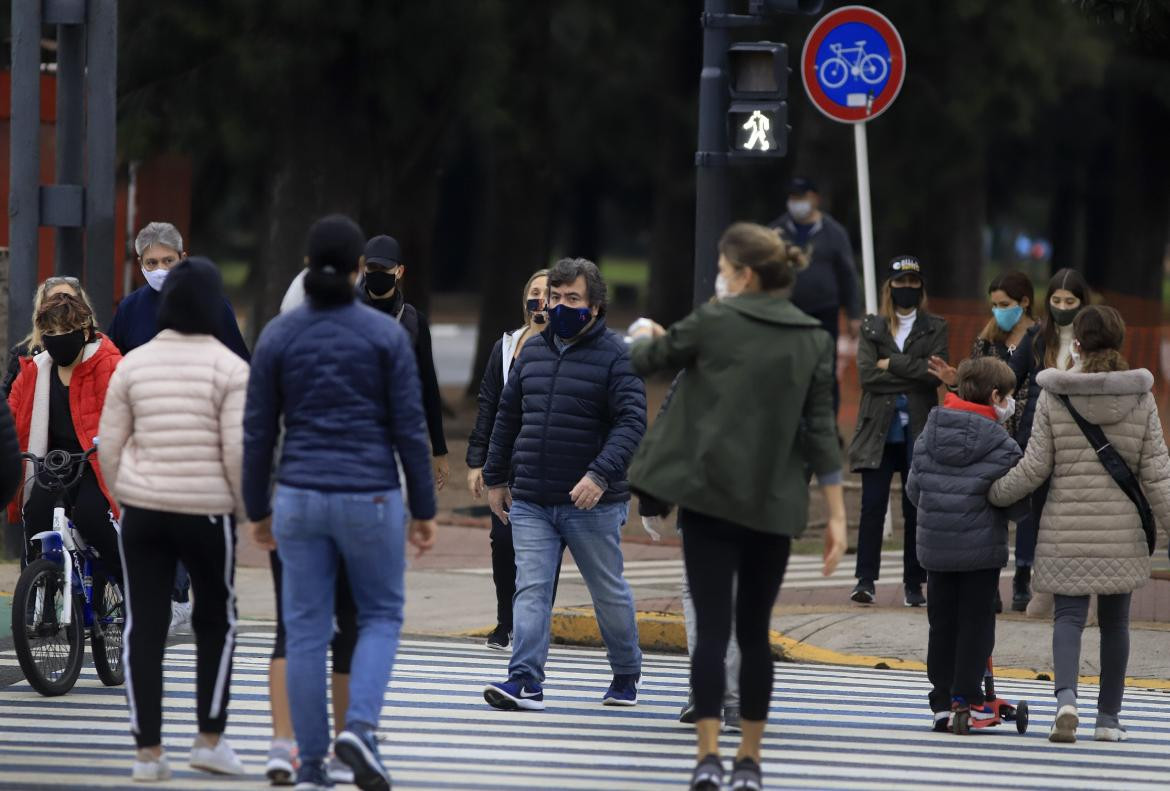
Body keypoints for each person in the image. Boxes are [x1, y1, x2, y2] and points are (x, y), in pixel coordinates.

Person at [626, 222, 847, 791]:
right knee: (753, 634)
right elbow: (821, 430)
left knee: (712, 632)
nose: (719, 280)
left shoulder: (715, 321)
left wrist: (644, 333)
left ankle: (707, 756)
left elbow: (651, 358)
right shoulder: (811, 338)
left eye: (723, 271)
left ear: (744, 274)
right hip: (773, 508)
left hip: (709, 501)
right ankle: (749, 759)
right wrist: (837, 516)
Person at [244, 215, 437, 791]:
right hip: (370, 494)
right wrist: (423, 509)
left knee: (304, 630)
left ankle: (309, 765)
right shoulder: (387, 336)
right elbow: (410, 427)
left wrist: (258, 508)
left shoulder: (280, 334)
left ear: (307, 266)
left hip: (299, 495)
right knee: (379, 615)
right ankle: (359, 727)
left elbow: (258, 431)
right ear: (359, 268)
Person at [98, 257, 250, 781]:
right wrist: (239, 506)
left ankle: (148, 753)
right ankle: (209, 737)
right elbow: (238, 452)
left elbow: (110, 446)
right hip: (206, 510)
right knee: (216, 619)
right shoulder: (231, 368)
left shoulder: (133, 364)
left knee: (145, 624)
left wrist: (127, 496)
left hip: (143, 512)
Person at [989, 305, 1170, 744]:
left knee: (1068, 618)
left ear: (1078, 344)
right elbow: (1157, 475)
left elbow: (1034, 467)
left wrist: (993, 495)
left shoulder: (1055, 395)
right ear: (1119, 344)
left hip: (1065, 527)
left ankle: (1066, 700)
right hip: (1122, 531)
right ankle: (1107, 719)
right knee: (1117, 623)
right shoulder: (1140, 398)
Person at [481, 257, 646, 712]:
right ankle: (525, 679)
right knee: (531, 587)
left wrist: (600, 473)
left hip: (591, 501)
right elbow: (507, 417)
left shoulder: (617, 354)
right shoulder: (530, 352)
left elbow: (632, 422)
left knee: (606, 591)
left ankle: (626, 672)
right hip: (532, 496)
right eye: (555, 297)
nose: (560, 306)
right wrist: (496, 477)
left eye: (573, 298)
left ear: (594, 307)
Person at [107, 221, 250, 632]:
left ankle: (179, 594)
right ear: (140, 265)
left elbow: (239, 365)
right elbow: (114, 368)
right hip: (143, 435)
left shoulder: (213, 307)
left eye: (168, 261)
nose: (160, 269)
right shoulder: (130, 309)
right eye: (151, 262)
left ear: (183, 260)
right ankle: (164, 595)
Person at [264, 270, 362, 787]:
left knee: (292, 628)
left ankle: (286, 743)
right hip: (352, 506)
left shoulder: (278, 347)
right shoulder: (368, 343)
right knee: (349, 624)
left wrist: (258, 509)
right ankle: (345, 741)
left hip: (291, 503)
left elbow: (258, 431)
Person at [905, 357, 1024, 733]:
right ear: (994, 396)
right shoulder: (1004, 445)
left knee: (941, 623)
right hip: (979, 552)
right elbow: (1016, 503)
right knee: (976, 623)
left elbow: (913, 490)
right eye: (1008, 397)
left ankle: (941, 701)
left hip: (935, 548)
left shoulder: (929, 432)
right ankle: (967, 697)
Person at [466, 269, 566, 651]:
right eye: (533, 292)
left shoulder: (565, 345)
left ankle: (533, 624)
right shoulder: (506, 347)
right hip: (507, 463)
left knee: (546, 548)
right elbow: (488, 407)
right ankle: (505, 620)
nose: (538, 299)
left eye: (547, 293)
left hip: (549, 461)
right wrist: (479, 461)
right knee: (503, 542)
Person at [927, 270, 1036, 612]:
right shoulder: (987, 339)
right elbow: (973, 389)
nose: (998, 311)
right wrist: (954, 382)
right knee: (990, 506)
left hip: (1030, 431)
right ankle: (992, 582)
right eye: (994, 305)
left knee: (1027, 506)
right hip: (990, 435)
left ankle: (1023, 572)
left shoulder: (1039, 337)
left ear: (1024, 303)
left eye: (1004, 304)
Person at [847, 255, 948, 608]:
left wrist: (891, 364)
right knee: (872, 506)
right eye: (900, 283)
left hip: (919, 428)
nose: (907, 289)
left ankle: (913, 583)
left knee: (915, 507)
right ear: (889, 286)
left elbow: (934, 374)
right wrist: (910, 373)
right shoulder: (872, 327)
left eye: (913, 283)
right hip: (879, 428)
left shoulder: (936, 326)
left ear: (921, 287)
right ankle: (865, 580)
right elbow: (866, 377)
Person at [8, 293, 122, 589]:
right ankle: (40, 591)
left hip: (96, 460)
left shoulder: (108, 364)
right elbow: (12, 412)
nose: (57, 339)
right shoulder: (35, 370)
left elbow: (128, 412)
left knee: (92, 518)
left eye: (65, 331)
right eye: (50, 333)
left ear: (85, 332)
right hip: (54, 461)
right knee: (35, 515)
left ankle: (128, 584)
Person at [1002, 268, 1089, 614]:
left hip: (1080, 440)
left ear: (1082, 303)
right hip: (1037, 435)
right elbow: (1011, 375)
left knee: (1073, 514)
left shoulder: (1093, 337)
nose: (1062, 306)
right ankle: (1031, 579)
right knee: (1035, 512)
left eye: (1070, 301)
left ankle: (1074, 586)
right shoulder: (1037, 337)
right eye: (1056, 300)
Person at [360, 235, 449, 491]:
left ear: (399, 271)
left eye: (383, 269)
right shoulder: (348, 312)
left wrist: (439, 450)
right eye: (371, 268)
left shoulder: (414, 321)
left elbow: (429, 386)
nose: (377, 274)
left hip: (400, 433)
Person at [769, 177, 861, 417]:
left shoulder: (834, 232)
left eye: (801, 197)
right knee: (785, 371)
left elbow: (848, 274)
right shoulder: (776, 231)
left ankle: (826, 426)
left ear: (815, 198)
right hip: (784, 313)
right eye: (792, 198)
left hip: (823, 313)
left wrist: (853, 313)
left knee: (824, 373)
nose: (796, 203)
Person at [4, 276, 99, 398]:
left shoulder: (101, 356)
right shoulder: (24, 354)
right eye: (54, 301)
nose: (61, 307)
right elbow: (8, 404)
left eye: (69, 300)